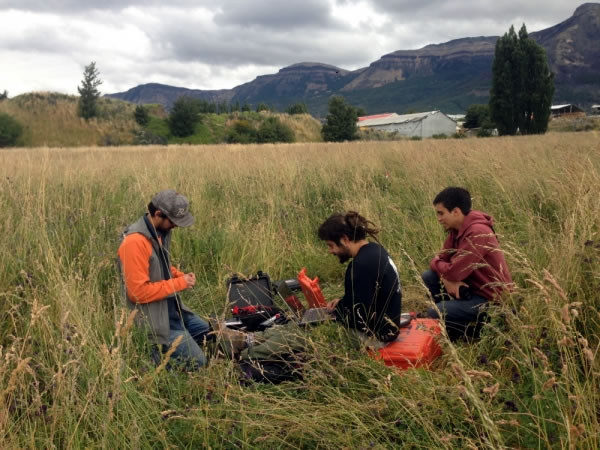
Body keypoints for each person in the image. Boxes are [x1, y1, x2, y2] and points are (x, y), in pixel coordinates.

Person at [118, 189, 211, 368]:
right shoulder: (134, 242)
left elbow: (159, 266)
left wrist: (178, 275)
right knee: (198, 363)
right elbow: (137, 293)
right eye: (173, 221)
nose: (175, 226)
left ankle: (180, 341)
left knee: (210, 334)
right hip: (153, 321)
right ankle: (153, 359)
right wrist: (179, 283)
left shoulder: (160, 232)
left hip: (173, 310)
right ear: (158, 214)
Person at [423, 187, 513, 340]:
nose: (438, 218)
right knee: (429, 276)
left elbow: (453, 271)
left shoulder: (477, 232)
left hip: (490, 300)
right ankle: (450, 325)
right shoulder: (457, 229)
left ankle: (475, 333)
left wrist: (445, 272)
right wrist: (446, 277)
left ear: (456, 211)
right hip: (472, 290)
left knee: (435, 312)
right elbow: (442, 259)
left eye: (441, 213)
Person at [317, 211, 402, 344]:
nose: (331, 251)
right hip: (389, 326)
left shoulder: (361, 265)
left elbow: (358, 318)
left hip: (378, 337)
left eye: (331, 245)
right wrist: (342, 302)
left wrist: (333, 316)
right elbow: (368, 298)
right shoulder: (375, 250)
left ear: (345, 240)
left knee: (316, 337)